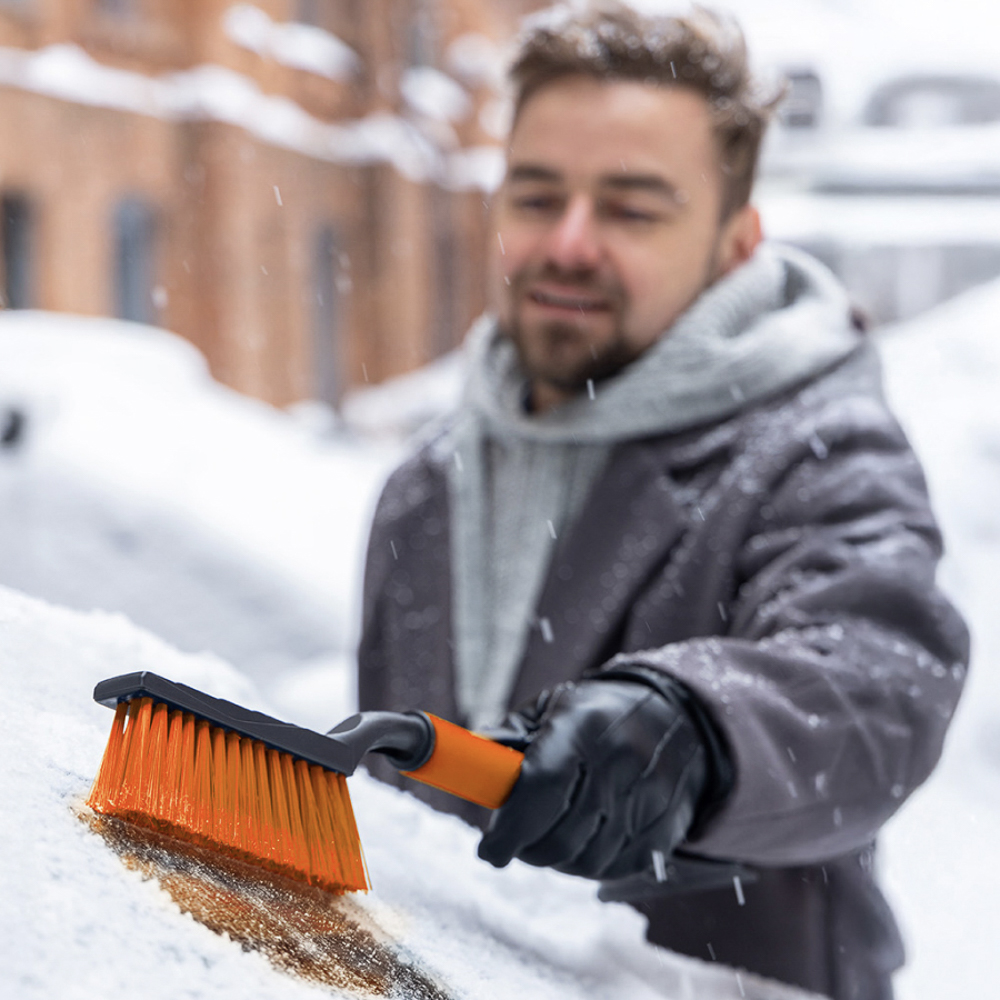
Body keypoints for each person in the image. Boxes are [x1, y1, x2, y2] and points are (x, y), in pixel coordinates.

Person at [356, 4, 970, 998]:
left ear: (736, 241)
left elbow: (878, 680)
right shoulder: (426, 484)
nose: (567, 243)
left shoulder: (810, 443)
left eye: (632, 208)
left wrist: (694, 725)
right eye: (535, 194)